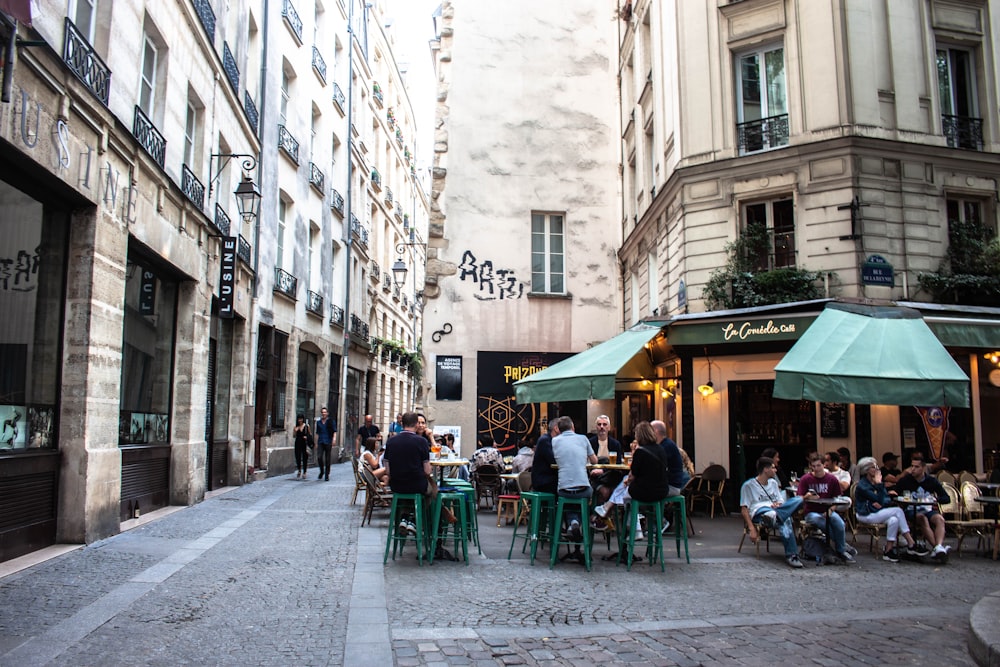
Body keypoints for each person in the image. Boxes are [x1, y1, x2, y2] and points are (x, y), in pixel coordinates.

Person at [854, 456, 928, 562]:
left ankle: (888, 551)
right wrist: (880, 487)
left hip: (877, 512)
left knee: (894, 520)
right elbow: (879, 499)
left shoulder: (876, 482)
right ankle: (911, 543)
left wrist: (880, 498)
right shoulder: (863, 485)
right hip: (865, 514)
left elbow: (886, 499)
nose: (877, 469)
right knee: (898, 511)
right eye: (873, 467)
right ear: (866, 470)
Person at [740, 456, 805, 568]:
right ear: (766, 469)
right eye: (773, 468)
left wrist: (778, 505)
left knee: (796, 501)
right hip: (760, 512)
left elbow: (780, 501)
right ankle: (792, 555)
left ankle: (779, 517)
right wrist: (751, 528)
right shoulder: (748, 485)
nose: (775, 470)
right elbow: (744, 509)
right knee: (787, 517)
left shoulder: (773, 483)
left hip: (776, 510)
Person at [796, 453, 855, 563]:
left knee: (839, 523)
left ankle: (840, 550)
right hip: (811, 512)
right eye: (813, 466)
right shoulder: (806, 479)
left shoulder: (832, 479)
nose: (816, 469)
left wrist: (831, 509)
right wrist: (806, 496)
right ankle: (841, 547)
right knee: (822, 522)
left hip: (828, 510)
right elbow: (798, 498)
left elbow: (837, 498)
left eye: (818, 466)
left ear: (824, 465)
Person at [893, 452, 950, 560]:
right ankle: (938, 549)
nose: (913, 469)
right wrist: (896, 496)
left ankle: (938, 547)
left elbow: (946, 498)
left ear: (923, 468)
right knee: (922, 518)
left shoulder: (931, 481)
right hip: (911, 510)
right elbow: (895, 493)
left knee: (939, 519)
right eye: (912, 466)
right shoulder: (906, 480)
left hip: (927, 509)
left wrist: (936, 499)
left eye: (916, 467)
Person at [382, 412, 432, 535]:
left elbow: (387, 469)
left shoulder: (391, 441)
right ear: (416, 424)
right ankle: (415, 520)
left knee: (407, 492)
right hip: (416, 485)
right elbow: (427, 471)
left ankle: (404, 517)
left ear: (402, 424)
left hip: (396, 486)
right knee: (432, 491)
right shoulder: (421, 441)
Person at [551, 416, 597, 542]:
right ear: (573, 427)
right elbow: (594, 460)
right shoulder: (583, 438)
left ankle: (573, 522)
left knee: (568, 501)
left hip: (563, 489)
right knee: (593, 493)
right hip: (583, 488)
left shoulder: (555, 441)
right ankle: (591, 519)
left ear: (559, 430)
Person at [588, 415, 624, 506]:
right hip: (594, 478)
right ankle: (600, 516)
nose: (602, 427)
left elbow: (618, 463)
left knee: (613, 490)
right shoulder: (590, 442)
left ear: (609, 427)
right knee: (605, 492)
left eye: (605, 424)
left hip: (611, 477)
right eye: (599, 424)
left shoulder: (615, 444)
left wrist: (603, 470)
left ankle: (600, 516)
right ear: (596, 427)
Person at [651, 420, 691, 496]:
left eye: (649, 431)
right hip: (667, 485)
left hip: (671, 486)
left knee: (639, 491)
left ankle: (647, 508)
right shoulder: (663, 444)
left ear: (655, 431)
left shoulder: (666, 446)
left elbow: (655, 465)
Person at [531, 421, 559, 495]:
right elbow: (553, 461)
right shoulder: (545, 440)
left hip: (550, 478)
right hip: (544, 480)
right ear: (556, 428)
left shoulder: (554, 441)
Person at [314, 407, 336, 481]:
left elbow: (334, 431)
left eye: (325, 412)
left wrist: (334, 439)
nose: (323, 414)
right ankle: (322, 471)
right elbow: (317, 433)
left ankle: (327, 474)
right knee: (319, 457)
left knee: (327, 458)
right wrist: (316, 443)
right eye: (322, 412)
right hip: (321, 441)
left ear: (327, 413)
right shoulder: (319, 422)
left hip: (328, 441)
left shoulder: (330, 421)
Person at [292, 414, 313, 480]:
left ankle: (304, 472)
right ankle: (299, 470)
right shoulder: (296, 427)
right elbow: (294, 436)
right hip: (298, 443)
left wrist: (307, 437)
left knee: (304, 458)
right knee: (298, 457)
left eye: (301, 419)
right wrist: (295, 431)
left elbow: (310, 435)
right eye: (299, 419)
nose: (300, 420)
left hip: (304, 443)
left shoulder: (307, 426)